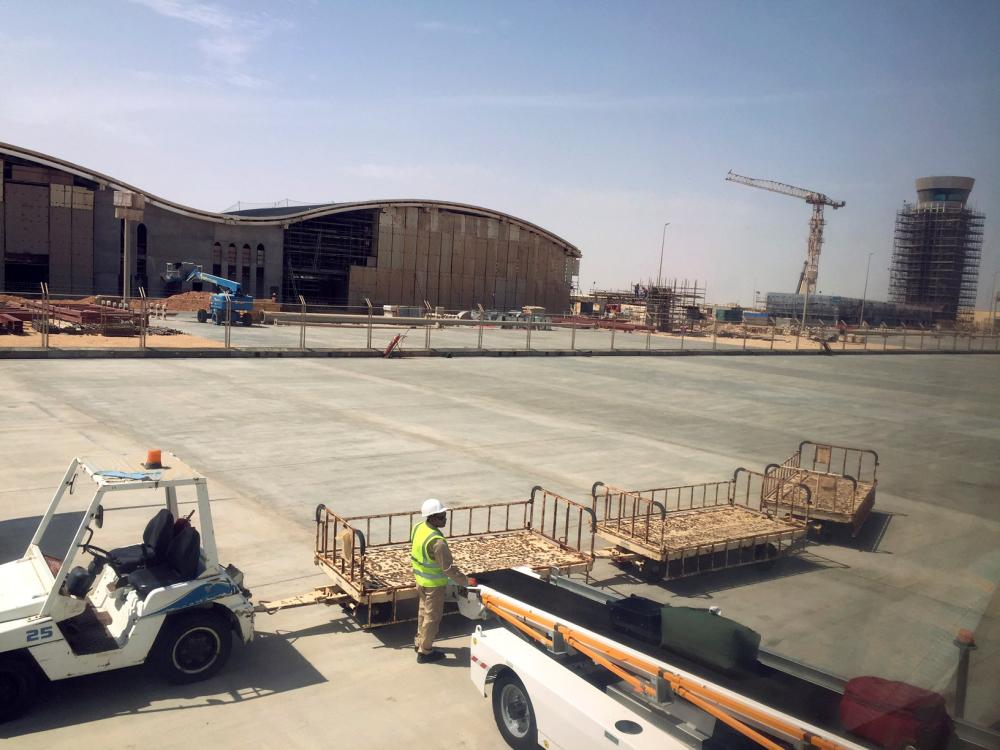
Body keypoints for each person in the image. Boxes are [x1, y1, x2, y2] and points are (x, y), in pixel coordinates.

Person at [411, 498, 469, 663]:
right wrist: (466, 581)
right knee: (432, 618)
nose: (445, 519)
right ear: (432, 518)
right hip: (434, 586)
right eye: (442, 517)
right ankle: (425, 652)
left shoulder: (419, 528)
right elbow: (448, 569)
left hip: (420, 580)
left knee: (423, 612)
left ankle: (419, 642)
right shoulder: (437, 542)